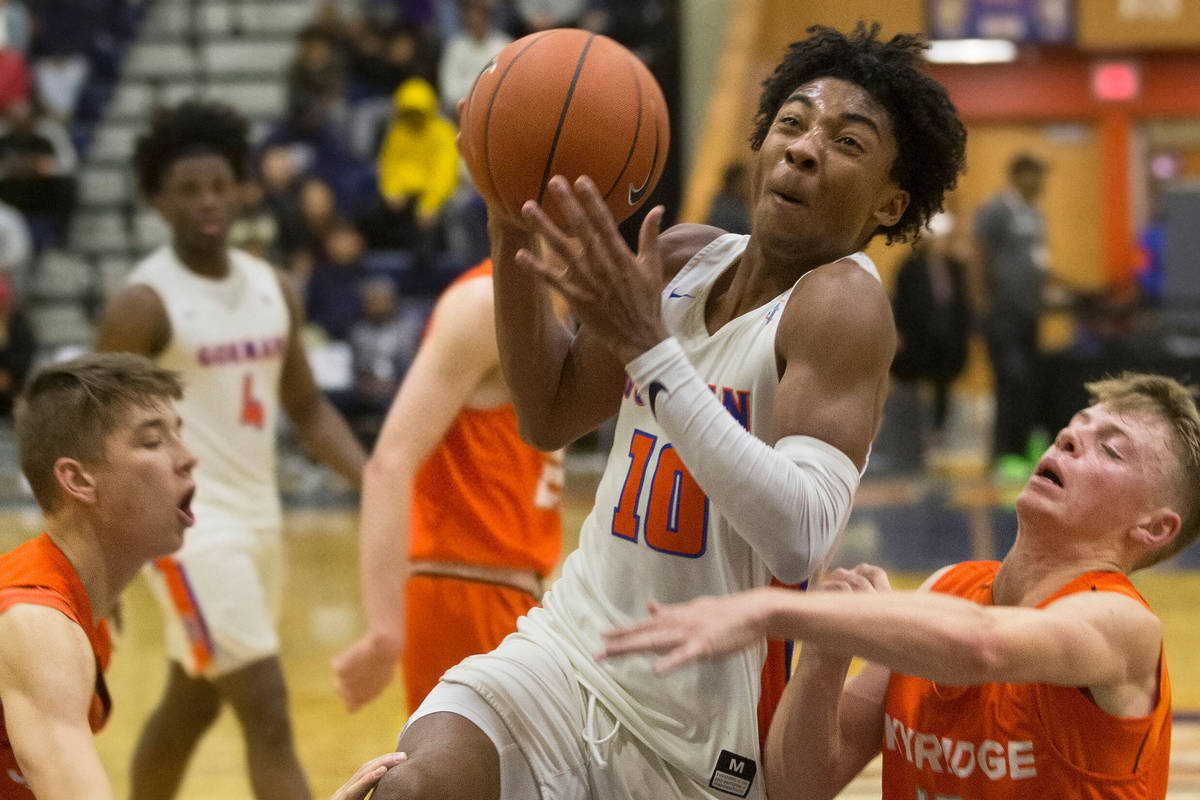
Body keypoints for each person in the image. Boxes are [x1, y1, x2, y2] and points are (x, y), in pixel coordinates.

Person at [365, 22, 966, 800]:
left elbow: (800, 536)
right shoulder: (685, 257)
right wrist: (507, 218)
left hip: (701, 729)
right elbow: (547, 414)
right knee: (411, 789)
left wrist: (652, 353)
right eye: (792, 122)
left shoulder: (843, 304)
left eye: (847, 142)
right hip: (565, 653)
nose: (805, 149)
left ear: (891, 201)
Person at [600, 371, 1198, 800]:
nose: (1069, 439)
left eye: (1110, 450)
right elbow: (799, 786)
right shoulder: (945, 591)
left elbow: (983, 645)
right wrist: (826, 657)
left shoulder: (1123, 627)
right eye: (1076, 426)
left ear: (1154, 528)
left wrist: (772, 609)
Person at [94, 100, 368, 800]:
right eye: (188, 190)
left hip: (261, 521)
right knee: (266, 708)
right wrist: (95, 557)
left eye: (219, 185)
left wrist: (376, 485)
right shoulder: (143, 304)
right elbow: (90, 428)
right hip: (186, 531)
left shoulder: (274, 289)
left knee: (192, 702)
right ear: (158, 201)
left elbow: (308, 410)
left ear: (244, 188)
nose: (208, 201)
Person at [332, 257, 563, 715]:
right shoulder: (485, 304)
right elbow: (389, 464)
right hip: (465, 593)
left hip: (517, 593)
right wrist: (384, 630)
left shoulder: (559, 300)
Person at [0, 352, 196, 799]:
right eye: (153, 442)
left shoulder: (75, 594)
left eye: (179, 434)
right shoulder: (38, 624)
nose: (188, 458)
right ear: (78, 480)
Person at [974, 152, 1051, 480]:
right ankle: (1002, 455)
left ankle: (1022, 452)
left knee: (1029, 384)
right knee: (1011, 380)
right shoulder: (996, 210)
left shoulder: (1035, 213)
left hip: (1029, 314)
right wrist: (982, 303)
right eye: (1035, 174)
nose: (1041, 182)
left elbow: (1038, 261)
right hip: (1002, 312)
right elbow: (979, 254)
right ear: (1019, 175)